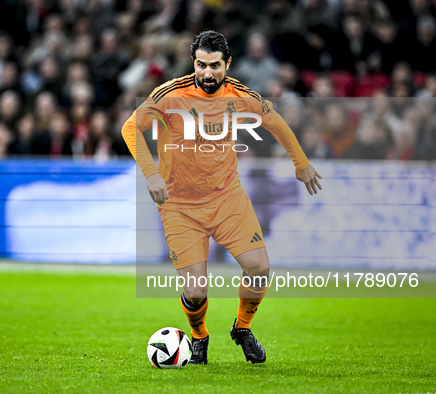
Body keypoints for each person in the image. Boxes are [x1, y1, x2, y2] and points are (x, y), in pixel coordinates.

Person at [121, 31, 322, 365]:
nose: (207, 73)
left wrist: (301, 164)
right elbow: (131, 127)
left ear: (227, 64)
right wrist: (151, 172)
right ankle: (199, 338)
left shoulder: (240, 94)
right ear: (193, 63)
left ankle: (242, 328)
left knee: (259, 268)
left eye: (215, 65)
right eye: (201, 65)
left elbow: (276, 122)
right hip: (180, 206)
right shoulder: (170, 94)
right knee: (196, 290)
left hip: (227, 199)